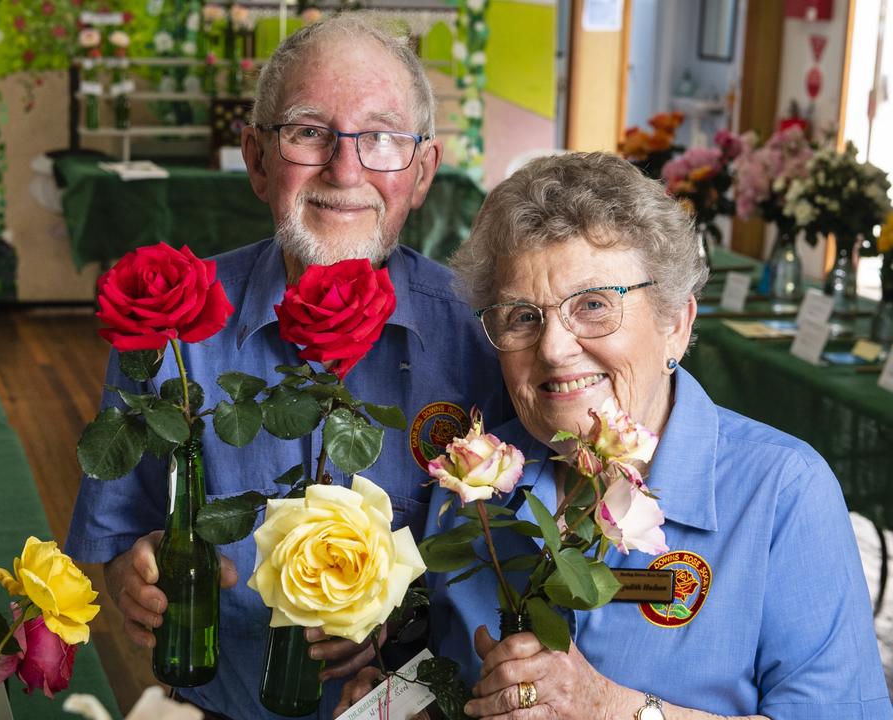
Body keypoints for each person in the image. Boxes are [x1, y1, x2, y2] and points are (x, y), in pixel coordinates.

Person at [64, 14, 514, 720]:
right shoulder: (169, 322)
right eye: (309, 131)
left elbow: (508, 588)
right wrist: (138, 573)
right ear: (255, 157)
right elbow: (119, 530)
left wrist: (406, 652)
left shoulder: (485, 341)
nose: (345, 169)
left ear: (422, 172)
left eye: (383, 138)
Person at [335, 152, 891, 719]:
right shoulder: (474, 477)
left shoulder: (782, 492)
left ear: (677, 322)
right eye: (523, 317)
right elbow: (453, 673)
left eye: (594, 306)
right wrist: (395, 701)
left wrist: (605, 708)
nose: (553, 349)